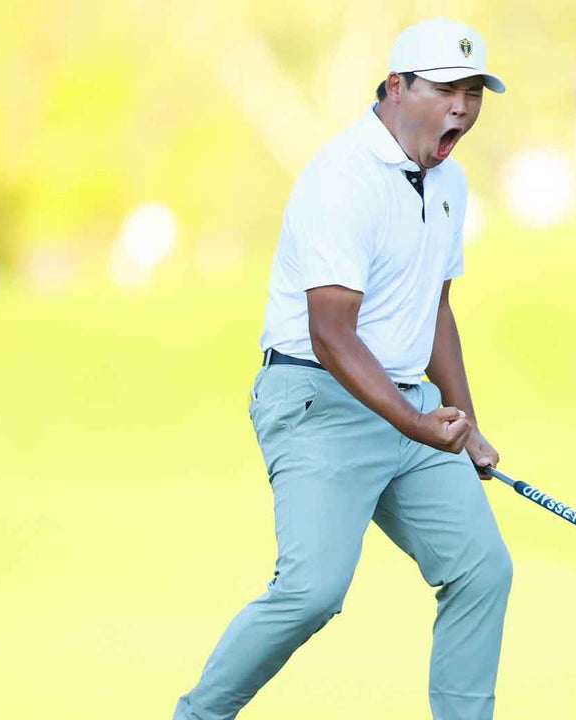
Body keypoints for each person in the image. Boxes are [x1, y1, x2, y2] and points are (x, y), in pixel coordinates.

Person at [174, 17, 512, 720]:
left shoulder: (449, 181)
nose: (462, 107)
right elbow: (331, 334)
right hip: (316, 399)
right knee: (312, 593)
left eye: (473, 92)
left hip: (408, 405)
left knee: (482, 568)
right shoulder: (342, 177)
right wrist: (418, 422)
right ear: (396, 88)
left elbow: (434, 311)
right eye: (446, 90)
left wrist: (465, 424)